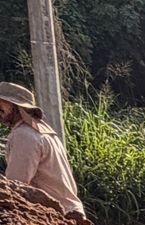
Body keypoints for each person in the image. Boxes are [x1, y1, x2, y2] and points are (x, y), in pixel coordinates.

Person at [0, 82, 83, 217]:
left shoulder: (23, 135)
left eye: (2, 103)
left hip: (57, 216)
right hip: (70, 212)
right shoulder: (45, 133)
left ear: (16, 106)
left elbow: (15, 186)